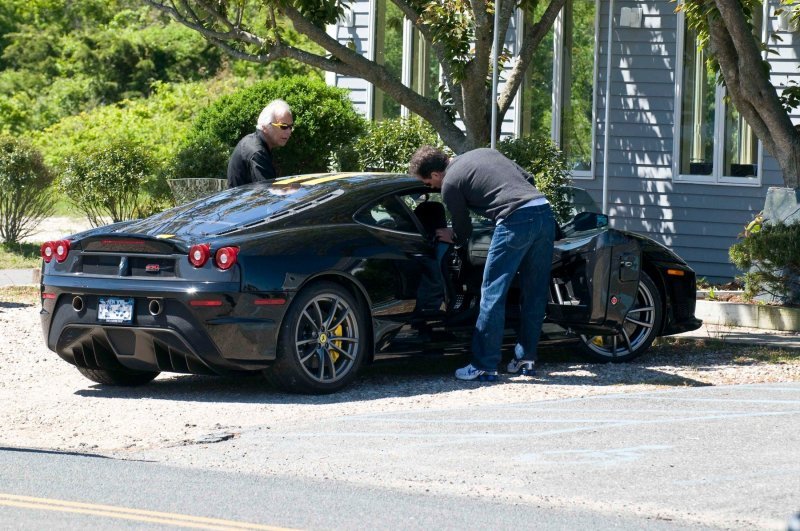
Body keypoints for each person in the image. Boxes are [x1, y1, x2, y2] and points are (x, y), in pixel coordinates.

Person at [408, 146, 555, 381]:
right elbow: (527, 178)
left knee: (492, 293)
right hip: (544, 212)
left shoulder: (450, 183)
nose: (430, 187)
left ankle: (484, 365)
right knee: (535, 292)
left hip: (513, 220)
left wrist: (453, 236)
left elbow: (463, 226)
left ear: (436, 174)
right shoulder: (484, 153)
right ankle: (525, 360)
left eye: (427, 182)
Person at [227, 99, 294, 188]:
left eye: (290, 127)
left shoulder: (253, 142)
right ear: (265, 126)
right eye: (283, 126)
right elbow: (267, 195)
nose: (289, 132)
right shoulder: (257, 153)